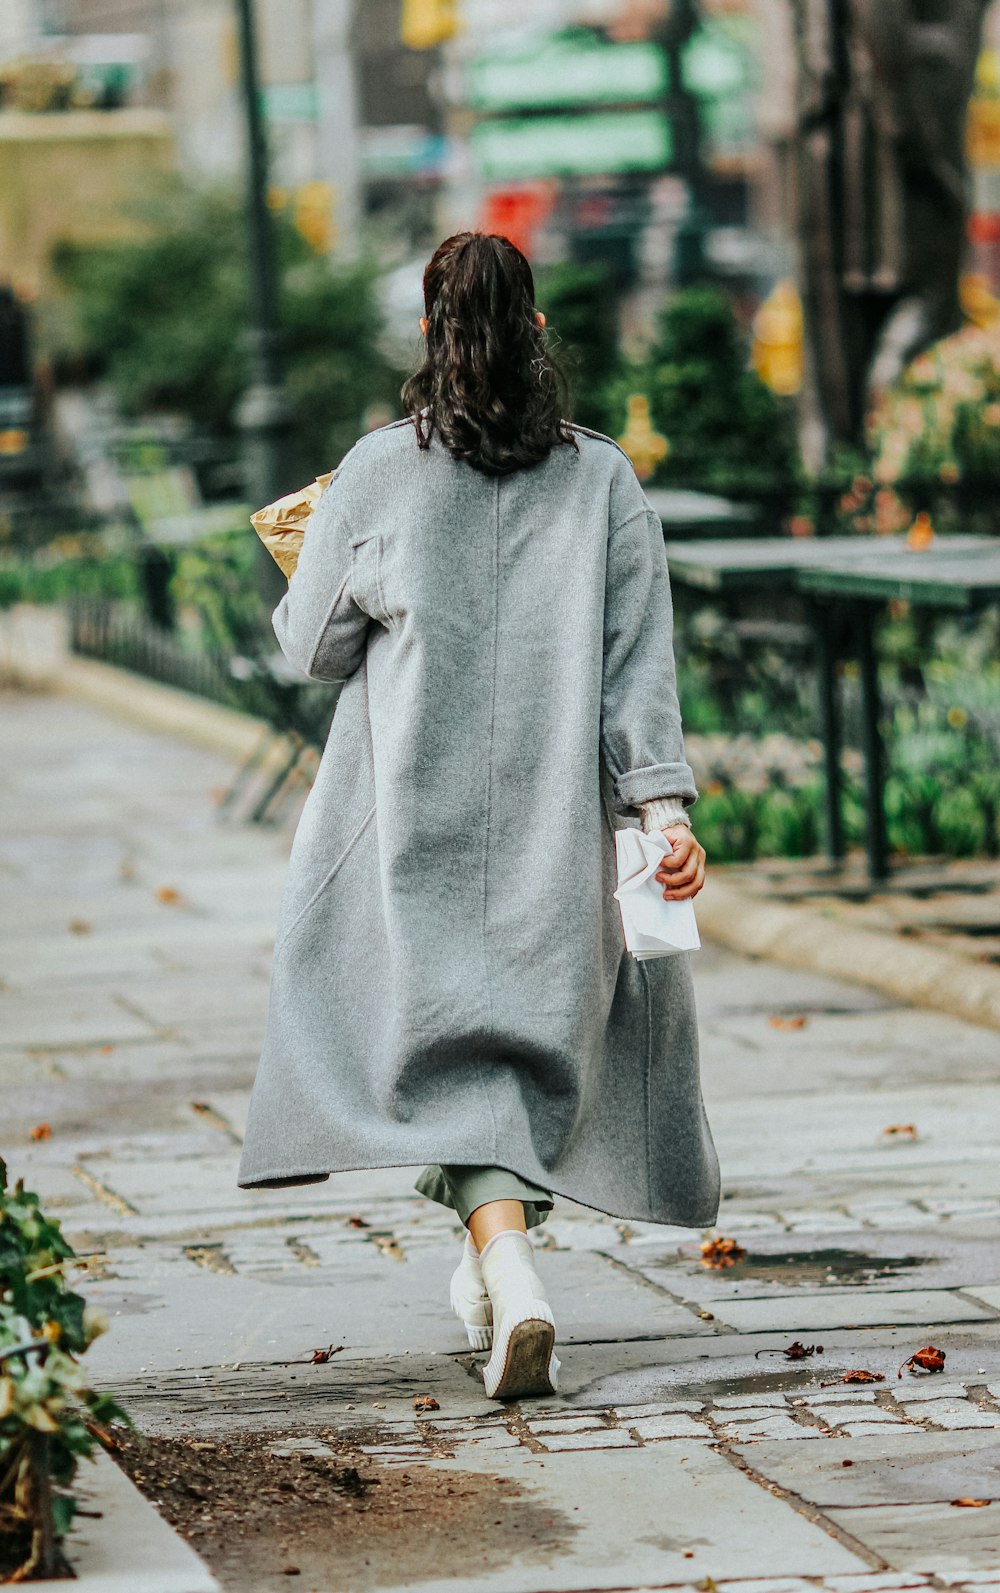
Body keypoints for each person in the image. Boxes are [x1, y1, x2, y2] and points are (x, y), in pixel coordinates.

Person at [238, 232, 719, 1400]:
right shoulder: (601, 479)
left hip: (403, 822)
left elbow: (309, 652)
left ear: (428, 336)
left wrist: (320, 554)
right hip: (554, 826)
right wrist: (659, 811)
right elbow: (633, 665)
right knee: (510, 1052)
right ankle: (494, 1270)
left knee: (435, 1056)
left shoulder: (377, 472)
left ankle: (509, 1269)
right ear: (537, 332)